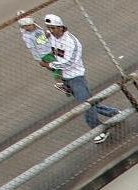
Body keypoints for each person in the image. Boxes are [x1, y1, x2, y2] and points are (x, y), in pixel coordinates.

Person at [41, 14, 119, 143]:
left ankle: (99, 130)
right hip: (66, 77)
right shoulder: (52, 37)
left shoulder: (71, 42)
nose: (51, 31)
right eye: (49, 28)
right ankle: (114, 113)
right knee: (88, 102)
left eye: (53, 28)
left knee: (86, 106)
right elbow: (43, 43)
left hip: (76, 78)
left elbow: (69, 62)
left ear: (61, 27)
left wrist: (51, 65)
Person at [16, 12, 70, 94]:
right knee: (56, 66)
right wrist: (39, 60)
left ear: (33, 23)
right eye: (25, 26)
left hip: (52, 49)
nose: (27, 27)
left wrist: (47, 35)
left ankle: (66, 82)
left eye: (29, 25)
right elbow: (32, 48)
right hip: (45, 55)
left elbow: (41, 41)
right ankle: (59, 83)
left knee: (63, 61)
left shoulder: (38, 29)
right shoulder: (27, 36)